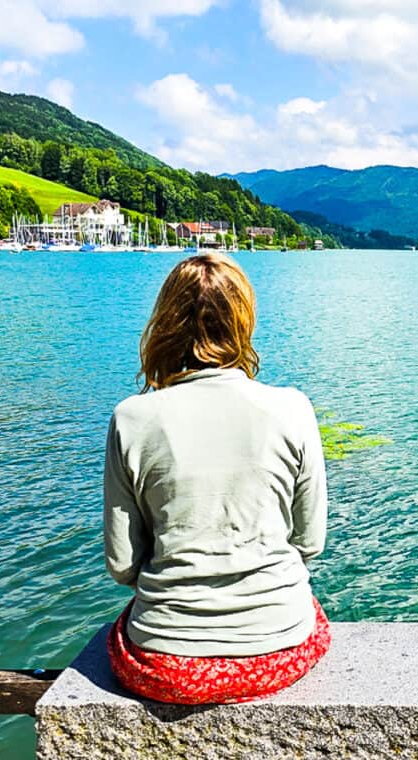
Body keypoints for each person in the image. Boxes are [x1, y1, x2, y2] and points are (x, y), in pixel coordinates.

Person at [104, 251, 330, 705]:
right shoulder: (293, 408)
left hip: (168, 664)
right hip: (278, 648)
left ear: (165, 324)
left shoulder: (132, 418)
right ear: (243, 320)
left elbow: (122, 565)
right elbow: (310, 543)